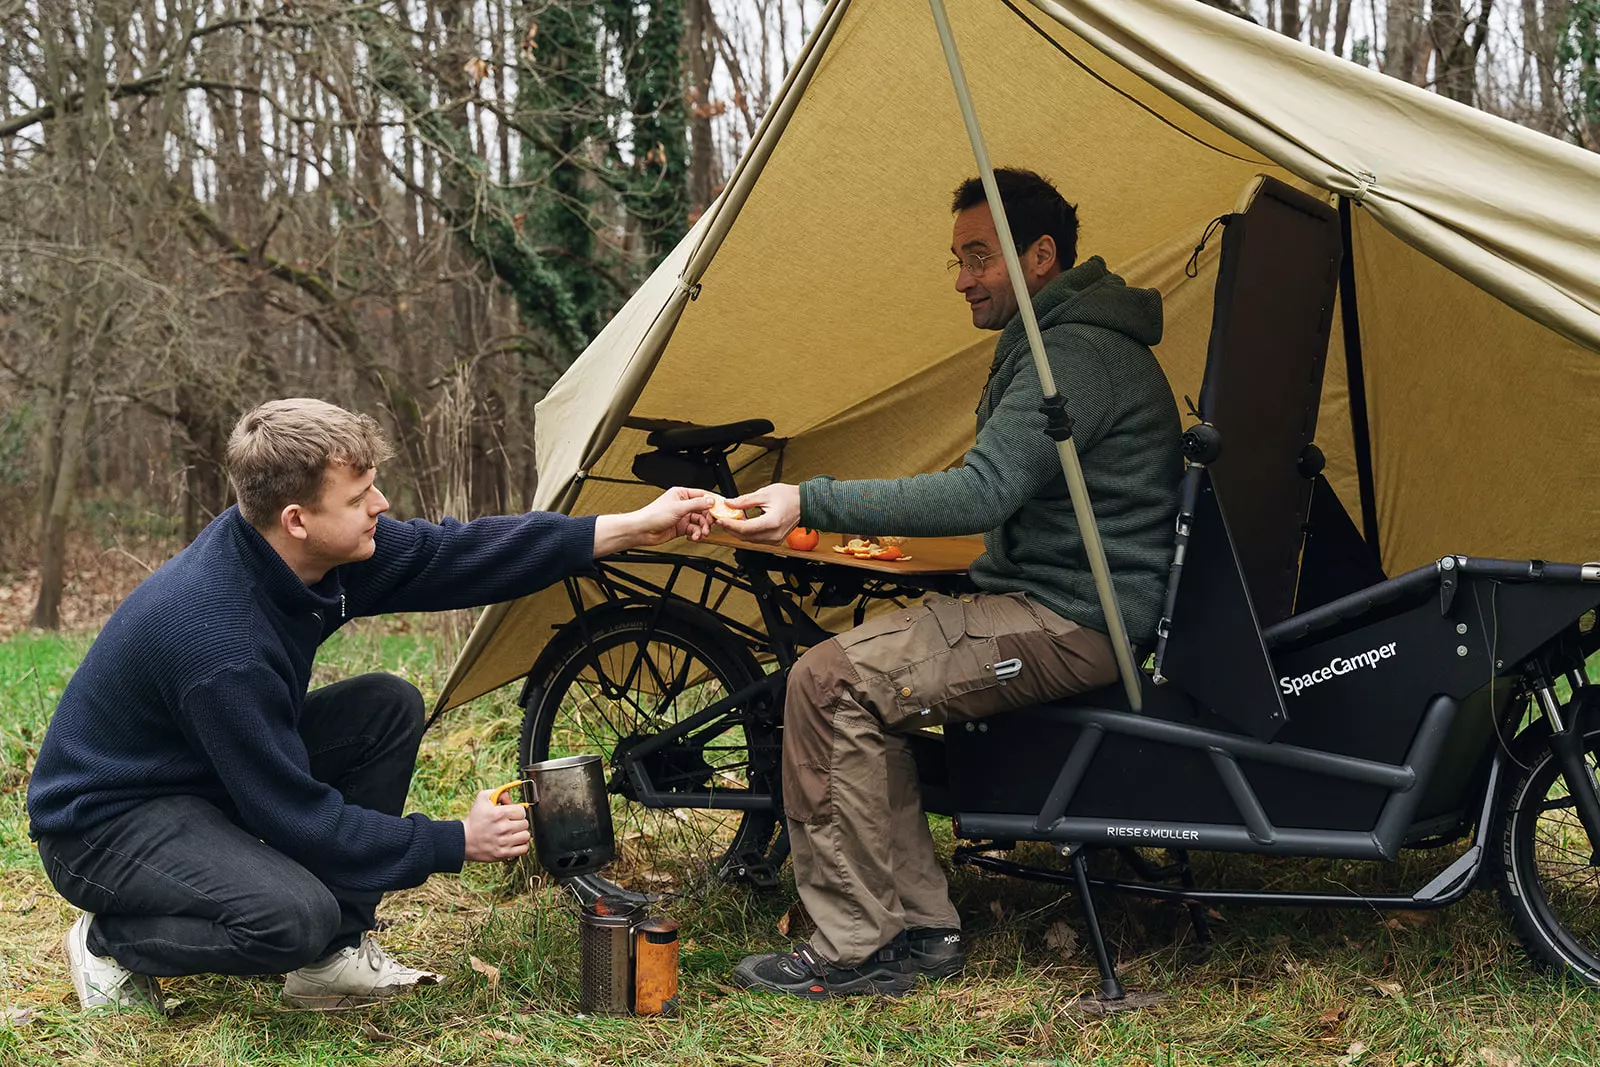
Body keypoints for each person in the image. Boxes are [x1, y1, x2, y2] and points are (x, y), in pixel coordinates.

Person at [27, 398, 715, 1011]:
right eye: (358, 496)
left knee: (385, 705)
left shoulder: (306, 554)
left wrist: (628, 527)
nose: (381, 504)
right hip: (103, 822)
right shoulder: (219, 641)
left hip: (199, 776)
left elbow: (458, 552)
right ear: (297, 518)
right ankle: (111, 940)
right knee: (289, 918)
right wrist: (453, 841)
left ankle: (330, 958)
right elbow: (297, 817)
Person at [716, 169, 1183, 998]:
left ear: (1041, 256)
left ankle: (853, 946)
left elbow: (983, 490)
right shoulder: (1067, 339)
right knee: (865, 681)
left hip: (1071, 620)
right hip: (1065, 602)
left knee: (826, 680)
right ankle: (921, 929)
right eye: (957, 258)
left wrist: (807, 499)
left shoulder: (1070, 353)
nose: (962, 278)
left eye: (979, 256)